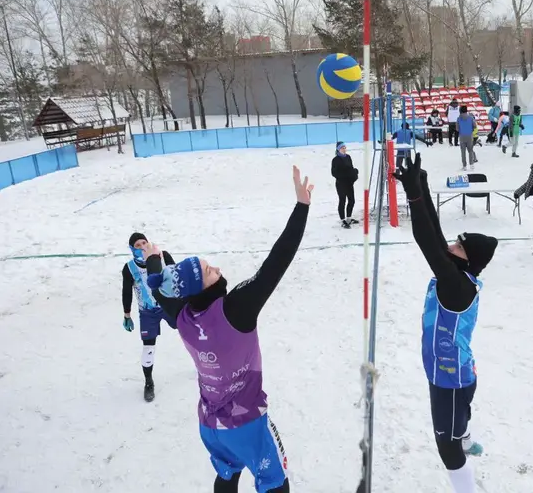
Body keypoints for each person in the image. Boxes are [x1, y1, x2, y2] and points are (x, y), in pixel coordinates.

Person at [142, 166, 313, 493]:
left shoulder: (183, 315)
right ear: (202, 288)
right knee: (276, 484)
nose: (217, 269)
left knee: (227, 475)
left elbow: (160, 289)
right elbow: (276, 263)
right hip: (246, 424)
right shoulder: (236, 309)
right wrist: (301, 207)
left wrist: (155, 262)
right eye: (209, 271)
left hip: (210, 425)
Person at [393, 153, 498, 493]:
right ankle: (464, 435)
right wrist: (420, 183)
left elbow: (427, 242)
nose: (452, 246)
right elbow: (436, 237)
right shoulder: (458, 275)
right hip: (454, 373)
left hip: (450, 381)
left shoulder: (456, 284)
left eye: (459, 246)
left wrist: (413, 196)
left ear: (468, 260)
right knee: (457, 426)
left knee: (447, 449)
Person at [121, 232, 177, 402]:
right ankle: (148, 382)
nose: (142, 246)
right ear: (132, 249)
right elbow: (126, 292)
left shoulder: (163, 256)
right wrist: (127, 315)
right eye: (137, 245)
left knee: (190, 332)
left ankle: (204, 365)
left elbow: (178, 276)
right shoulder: (129, 268)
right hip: (147, 312)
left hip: (168, 305)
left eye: (144, 242)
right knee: (148, 348)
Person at [331, 142, 359, 229]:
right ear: (338, 149)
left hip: (349, 183)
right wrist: (345, 174)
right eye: (342, 148)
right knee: (342, 201)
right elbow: (334, 173)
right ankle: (343, 220)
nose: (344, 149)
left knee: (352, 200)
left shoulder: (348, 157)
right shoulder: (335, 160)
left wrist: (354, 173)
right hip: (341, 183)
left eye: (345, 147)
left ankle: (349, 218)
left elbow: (351, 168)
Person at [457, 105, 477, 171]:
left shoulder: (458, 118)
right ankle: (472, 165)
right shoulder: (471, 118)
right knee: (470, 151)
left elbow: (457, 128)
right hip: (469, 136)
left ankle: (464, 166)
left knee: (463, 152)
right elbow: (475, 126)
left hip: (462, 136)